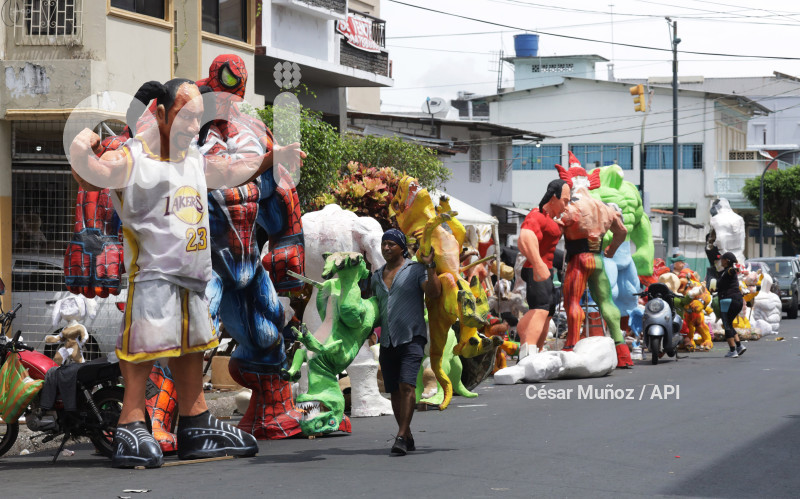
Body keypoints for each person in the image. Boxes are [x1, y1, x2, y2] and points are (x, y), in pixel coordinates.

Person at [69, 78, 305, 468]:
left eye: (200, 118)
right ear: (161, 113)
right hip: (154, 278)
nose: (196, 126)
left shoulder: (193, 159)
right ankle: (132, 421)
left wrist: (270, 158)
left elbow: (230, 170)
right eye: (188, 117)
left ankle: (196, 422)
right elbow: (92, 173)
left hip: (194, 278)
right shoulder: (134, 158)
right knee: (144, 348)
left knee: (194, 347)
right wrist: (81, 144)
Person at [370, 229, 441, 455]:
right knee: (394, 391)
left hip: (412, 336)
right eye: (384, 244)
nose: (386, 248)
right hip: (388, 340)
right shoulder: (376, 276)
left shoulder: (415, 270)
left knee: (407, 385)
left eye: (391, 244)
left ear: (402, 247)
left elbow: (434, 292)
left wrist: (430, 267)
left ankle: (400, 436)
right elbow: (375, 308)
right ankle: (407, 434)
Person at [516, 179, 570, 358]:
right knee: (540, 308)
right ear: (554, 197)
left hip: (546, 269)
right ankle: (528, 350)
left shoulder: (547, 218)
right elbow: (525, 236)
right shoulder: (536, 215)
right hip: (536, 269)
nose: (566, 206)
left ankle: (537, 350)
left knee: (548, 311)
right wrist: (538, 264)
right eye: (565, 201)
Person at [715, 252, 747, 358]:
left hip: (728, 300)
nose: (721, 261)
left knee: (726, 325)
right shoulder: (723, 272)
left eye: (722, 259)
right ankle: (739, 346)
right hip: (737, 300)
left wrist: (735, 269)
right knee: (729, 323)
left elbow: (732, 271)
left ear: (727, 261)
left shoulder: (728, 270)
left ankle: (732, 350)